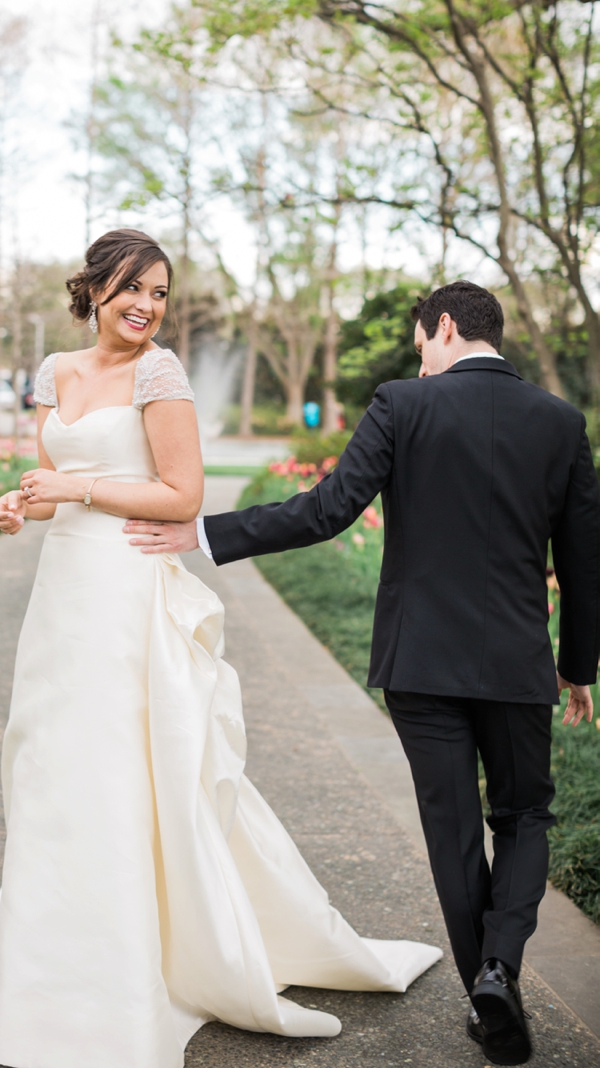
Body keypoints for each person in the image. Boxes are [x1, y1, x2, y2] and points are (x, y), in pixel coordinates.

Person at [0, 229, 440, 1068]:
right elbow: (48, 490)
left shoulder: (159, 373)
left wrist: (77, 487)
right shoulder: (55, 372)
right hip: (61, 599)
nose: (147, 305)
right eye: (133, 288)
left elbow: (183, 495)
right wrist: (19, 503)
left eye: (161, 293)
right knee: (50, 765)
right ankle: (50, 959)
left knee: (122, 769)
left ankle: (134, 971)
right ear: (95, 288)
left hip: (129, 589)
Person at [126, 280, 600, 1068]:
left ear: (443, 326)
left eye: (420, 344)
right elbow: (584, 559)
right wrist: (578, 666)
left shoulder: (401, 407)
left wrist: (203, 534)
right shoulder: (559, 422)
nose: (418, 362)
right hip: (518, 665)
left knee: (452, 832)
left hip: (420, 662)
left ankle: (487, 994)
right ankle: (498, 969)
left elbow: (327, 509)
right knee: (523, 816)